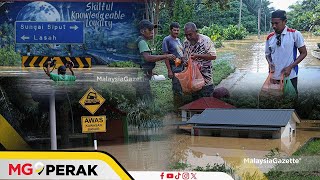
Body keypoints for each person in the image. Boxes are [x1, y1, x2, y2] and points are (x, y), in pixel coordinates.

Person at [265, 10, 307, 93]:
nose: (274, 26)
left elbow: (304, 53)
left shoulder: (294, 34)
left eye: (276, 23)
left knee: (291, 101)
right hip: (274, 77)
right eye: (272, 23)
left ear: (285, 22)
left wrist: (290, 67)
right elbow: (267, 55)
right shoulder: (270, 37)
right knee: (274, 101)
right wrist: (270, 63)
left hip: (290, 76)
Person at [136, 19, 176, 99]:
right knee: (146, 98)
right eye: (150, 30)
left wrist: (150, 71)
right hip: (140, 76)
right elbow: (148, 58)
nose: (152, 32)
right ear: (142, 31)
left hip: (142, 74)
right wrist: (166, 56)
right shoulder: (142, 42)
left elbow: (144, 60)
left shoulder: (143, 41)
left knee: (142, 97)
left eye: (153, 30)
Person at [183, 22, 217, 100]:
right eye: (186, 35)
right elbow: (185, 58)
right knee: (195, 104)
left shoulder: (205, 40)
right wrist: (184, 62)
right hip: (193, 81)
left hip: (206, 81)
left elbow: (213, 56)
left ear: (196, 32)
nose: (188, 37)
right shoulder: (185, 43)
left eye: (190, 34)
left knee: (206, 104)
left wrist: (198, 56)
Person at [162, 22, 184, 109]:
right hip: (174, 67)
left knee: (182, 86)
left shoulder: (178, 40)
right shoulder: (166, 40)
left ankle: (183, 106)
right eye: (174, 30)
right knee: (177, 88)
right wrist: (169, 70)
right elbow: (165, 56)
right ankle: (177, 108)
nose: (176, 32)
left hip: (181, 66)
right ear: (170, 30)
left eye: (178, 30)